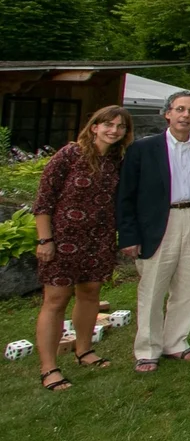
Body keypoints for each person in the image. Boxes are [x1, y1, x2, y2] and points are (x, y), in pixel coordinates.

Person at [34, 106, 133, 390]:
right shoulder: (70, 155)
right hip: (63, 238)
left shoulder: (117, 161)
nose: (114, 131)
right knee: (56, 300)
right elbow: (44, 200)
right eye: (108, 125)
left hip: (98, 238)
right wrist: (45, 240)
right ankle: (49, 367)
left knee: (90, 294)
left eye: (120, 127)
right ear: (94, 127)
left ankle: (84, 349)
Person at [117, 90, 190, 372]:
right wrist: (129, 235)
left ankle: (177, 342)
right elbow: (126, 195)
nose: (186, 115)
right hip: (159, 222)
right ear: (168, 113)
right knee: (152, 288)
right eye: (180, 109)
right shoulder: (143, 149)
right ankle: (147, 348)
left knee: (187, 285)